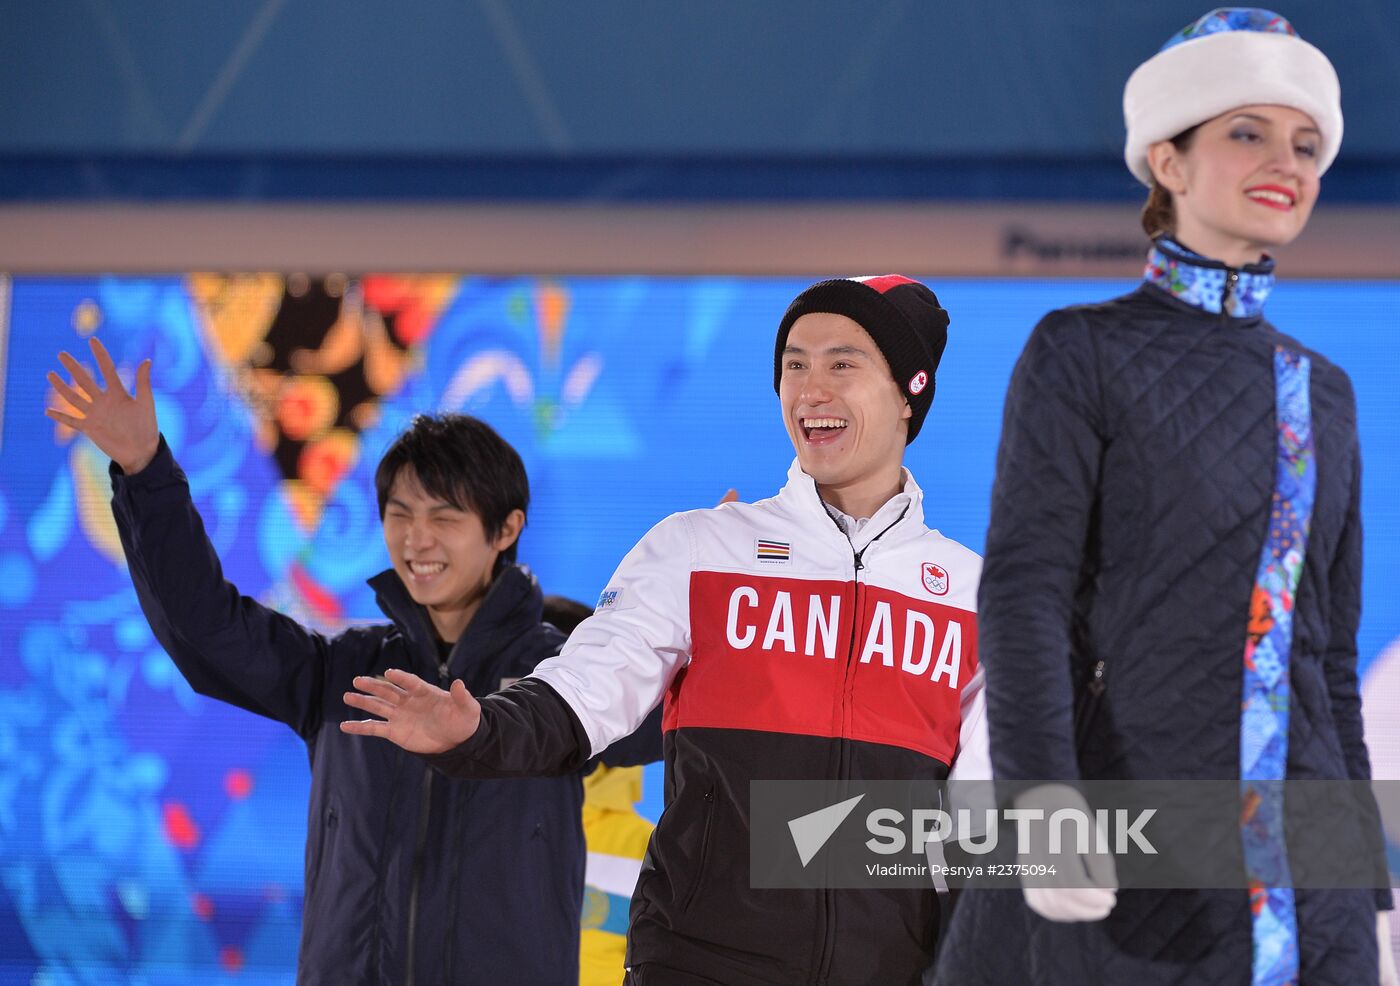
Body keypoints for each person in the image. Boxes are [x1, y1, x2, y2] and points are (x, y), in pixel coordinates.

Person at [342, 275, 991, 985]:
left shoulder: (978, 596)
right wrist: (481, 730)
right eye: (794, 365)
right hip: (698, 963)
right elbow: (588, 688)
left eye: (842, 363)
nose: (811, 389)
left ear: (910, 391)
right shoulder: (699, 547)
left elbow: (981, 825)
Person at [933, 9, 1395, 985]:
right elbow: (1024, 594)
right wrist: (1038, 793)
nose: (1286, 162)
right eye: (1245, 131)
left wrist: (1357, 861)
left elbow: (1322, 649)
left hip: (1305, 865)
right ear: (1167, 163)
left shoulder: (1324, 392)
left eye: (1306, 144)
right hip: (1128, 822)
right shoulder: (1078, 350)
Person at [44, 339, 652, 985]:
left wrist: (714, 591)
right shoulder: (344, 671)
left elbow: (676, 714)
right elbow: (209, 629)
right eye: (400, 515)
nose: (417, 539)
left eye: (444, 517)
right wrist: (146, 473)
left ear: (505, 529)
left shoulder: (560, 676)